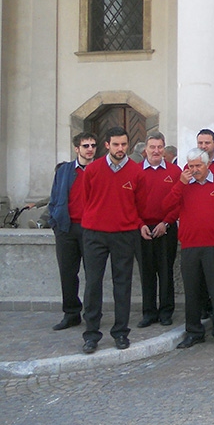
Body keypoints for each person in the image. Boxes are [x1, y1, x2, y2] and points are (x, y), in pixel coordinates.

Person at [164, 148, 214, 349]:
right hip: (190, 246)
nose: (195, 169)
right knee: (192, 292)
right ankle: (194, 332)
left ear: (207, 165)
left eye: (199, 165)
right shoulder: (183, 186)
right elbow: (167, 206)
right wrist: (180, 183)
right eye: (191, 166)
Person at [79, 126, 145, 354]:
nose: (120, 149)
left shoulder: (136, 172)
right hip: (94, 234)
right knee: (93, 284)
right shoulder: (93, 170)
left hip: (124, 235)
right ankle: (91, 335)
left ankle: (120, 332)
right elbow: (87, 200)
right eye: (116, 144)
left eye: (124, 144)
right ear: (107, 145)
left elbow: (140, 204)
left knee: (122, 285)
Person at [48, 131, 97, 331]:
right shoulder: (64, 171)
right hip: (67, 228)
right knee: (68, 273)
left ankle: (92, 314)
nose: (90, 149)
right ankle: (71, 313)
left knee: (93, 274)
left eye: (93, 145)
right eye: (86, 146)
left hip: (92, 229)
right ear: (77, 148)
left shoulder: (100, 170)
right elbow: (54, 197)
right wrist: (55, 223)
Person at [135, 132, 182, 328]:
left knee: (165, 271)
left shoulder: (174, 171)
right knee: (146, 272)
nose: (156, 151)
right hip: (142, 229)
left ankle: (165, 311)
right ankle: (148, 312)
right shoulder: (135, 171)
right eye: (152, 147)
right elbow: (129, 203)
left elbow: (180, 201)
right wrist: (140, 224)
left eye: (159, 147)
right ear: (145, 150)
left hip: (166, 228)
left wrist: (167, 222)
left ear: (164, 149)